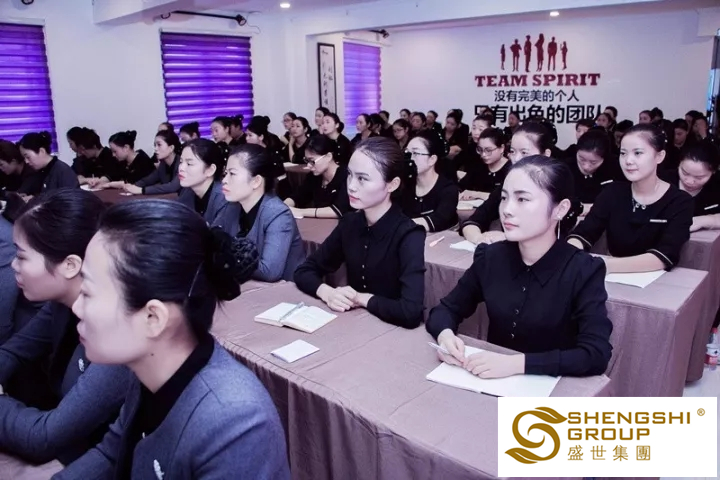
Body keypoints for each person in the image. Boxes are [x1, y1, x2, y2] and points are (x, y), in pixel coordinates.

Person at [54, 200, 290, 480]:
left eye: (88, 293)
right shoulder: (148, 369)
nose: (77, 307)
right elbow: (113, 453)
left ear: (153, 317)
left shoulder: (235, 423)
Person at [426, 156, 612, 378]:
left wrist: (517, 364)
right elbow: (445, 309)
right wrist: (446, 336)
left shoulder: (583, 270)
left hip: (551, 388)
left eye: (522, 199)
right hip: (489, 380)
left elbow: (596, 354)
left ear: (560, 209)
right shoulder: (491, 257)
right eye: (504, 198)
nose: (507, 209)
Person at [0, 190, 130, 465]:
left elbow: (44, 438)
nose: (13, 265)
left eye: (22, 257)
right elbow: (14, 351)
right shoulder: (61, 302)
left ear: (70, 265)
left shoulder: (121, 334)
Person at [294, 137, 425, 328]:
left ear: (392, 184)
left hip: (392, 330)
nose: (351, 186)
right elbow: (304, 270)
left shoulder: (409, 234)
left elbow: (410, 312)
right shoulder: (350, 223)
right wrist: (327, 292)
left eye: (362, 178)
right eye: (350, 175)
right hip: (354, 324)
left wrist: (362, 298)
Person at [568, 124, 693, 273]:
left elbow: (665, 254)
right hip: (609, 276)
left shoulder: (679, 201)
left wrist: (603, 265)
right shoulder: (612, 192)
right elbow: (584, 233)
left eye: (638, 153)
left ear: (659, 156)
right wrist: (571, 252)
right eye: (623, 153)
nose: (628, 160)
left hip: (655, 279)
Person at [461, 122, 580, 244]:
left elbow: (558, 235)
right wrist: (478, 238)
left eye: (524, 153)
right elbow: (474, 220)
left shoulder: (558, 186)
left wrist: (507, 237)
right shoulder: (509, 185)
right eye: (513, 151)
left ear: (546, 154)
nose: (516, 159)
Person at [222, 144, 306, 282]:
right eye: (225, 173)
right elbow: (212, 240)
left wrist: (226, 258)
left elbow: (269, 271)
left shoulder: (278, 214)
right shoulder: (232, 206)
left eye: (232, 174)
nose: (224, 180)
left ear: (256, 181)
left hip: (284, 290)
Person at [400, 130, 459, 232]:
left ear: (432, 160)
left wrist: (401, 225)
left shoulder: (448, 189)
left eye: (415, 153)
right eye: (407, 153)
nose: (409, 158)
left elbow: (439, 220)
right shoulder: (404, 185)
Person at [284, 135, 351, 219]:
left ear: (328, 157)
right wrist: (284, 206)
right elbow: (298, 195)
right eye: (307, 161)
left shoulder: (346, 176)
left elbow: (338, 210)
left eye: (312, 161)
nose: (308, 166)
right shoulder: (314, 176)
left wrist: (300, 212)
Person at [660, 142, 720, 232]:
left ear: (714, 171)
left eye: (699, 177)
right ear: (679, 163)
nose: (689, 181)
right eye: (685, 173)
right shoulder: (661, 180)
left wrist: (704, 220)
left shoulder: (717, 186)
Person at [177, 138, 236, 229]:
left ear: (210, 170)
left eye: (189, 164)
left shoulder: (225, 198)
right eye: (181, 162)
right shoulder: (186, 192)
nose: (181, 168)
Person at [567, 129, 622, 214]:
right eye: (582, 159)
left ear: (604, 158)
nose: (586, 166)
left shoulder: (616, 168)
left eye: (593, 162)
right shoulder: (564, 168)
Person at [459, 127, 511, 201]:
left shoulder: (511, 170)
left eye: (488, 150)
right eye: (480, 149)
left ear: (502, 148)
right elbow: (460, 186)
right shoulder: (478, 165)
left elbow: (505, 197)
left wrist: (477, 194)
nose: (483, 154)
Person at [124, 130, 182, 195]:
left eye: (159, 145)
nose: (155, 149)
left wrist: (141, 190)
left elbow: (172, 187)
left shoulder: (181, 164)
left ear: (171, 148)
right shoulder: (163, 165)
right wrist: (134, 186)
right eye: (155, 145)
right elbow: (148, 180)